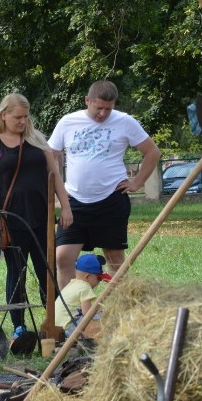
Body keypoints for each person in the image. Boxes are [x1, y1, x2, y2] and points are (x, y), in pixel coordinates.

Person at [0, 94, 72, 339]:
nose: (22, 121)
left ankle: (54, 322)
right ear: (4, 114)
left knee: (46, 271)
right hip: (9, 220)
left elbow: (55, 175)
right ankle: (19, 327)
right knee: (16, 272)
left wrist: (66, 206)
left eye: (26, 117)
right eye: (17, 117)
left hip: (42, 218)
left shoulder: (37, 140)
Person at [49, 80, 160, 287]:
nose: (102, 113)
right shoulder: (67, 122)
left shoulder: (125, 122)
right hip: (74, 202)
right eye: (98, 108)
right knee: (62, 257)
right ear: (87, 101)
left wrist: (137, 182)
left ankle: (118, 308)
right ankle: (72, 312)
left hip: (111, 200)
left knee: (115, 258)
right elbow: (50, 155)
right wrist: (60, 190)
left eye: (108, 109)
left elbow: (153, 152)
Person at [54, 253, 110, 338]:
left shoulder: (73, 283)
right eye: (98, 278)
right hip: (70, 327)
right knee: (101, 325)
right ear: (87, 277)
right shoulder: (85, 287)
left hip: (58, 326)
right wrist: (103, 316)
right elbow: (87, 314)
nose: (99, 282)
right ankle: (84, 341)